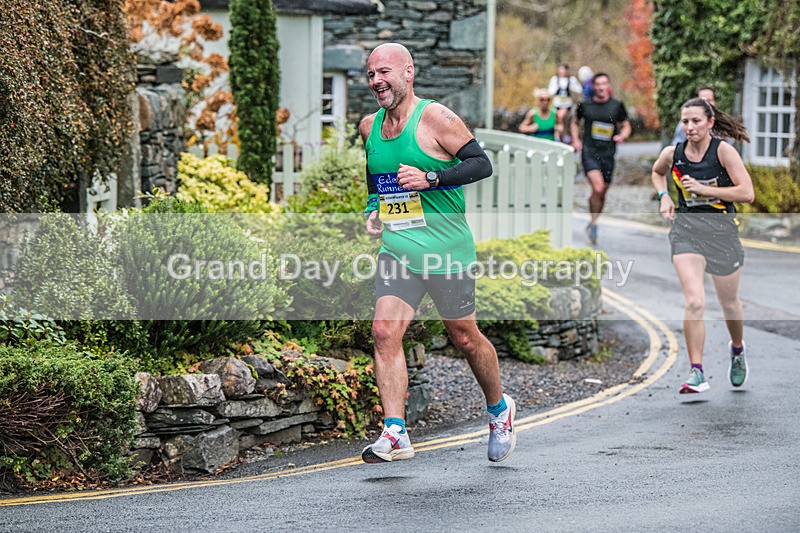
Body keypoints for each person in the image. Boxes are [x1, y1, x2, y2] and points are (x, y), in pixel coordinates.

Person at [359, 43, 516, 464]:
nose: (377, 80)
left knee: (464, 338)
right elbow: (376, 175)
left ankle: (499, 410)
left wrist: (431, 178)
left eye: (385, 72)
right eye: (371, 73)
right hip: (399, 248)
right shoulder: (368, 126)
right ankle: (395, 432)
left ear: (408, 73)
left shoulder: (436, 118)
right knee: (384, 332)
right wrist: (374, 208)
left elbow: (481, 164)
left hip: (446, 250)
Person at [651, 97, 754, 394]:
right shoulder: (673, 153)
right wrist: (664, 197)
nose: (690, 127)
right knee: (695, 300)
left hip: (722, 234)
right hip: (687, 232)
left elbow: (747, 193)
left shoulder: (723, 152)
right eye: (685, 122)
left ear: (710, 122)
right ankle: (697, 371)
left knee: (729, 303)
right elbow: (657, 173)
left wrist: (706, 189)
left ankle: (737, 349)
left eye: (696, 121)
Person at [570, 72, 631, 244]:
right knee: (597, 188)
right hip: (589, 152)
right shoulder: (585, 105)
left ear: (609, 86)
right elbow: (575, 122)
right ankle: (594, 222)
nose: (602, 87)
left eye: (605, 83)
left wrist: (622, 136)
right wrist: (576, 140)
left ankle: (593, 221)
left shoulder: (617, 105)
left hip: (608, 154)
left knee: (602, 193)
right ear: (594, 87)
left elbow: (626, 125)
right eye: (598, 84)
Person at [548, 63, 583, 143]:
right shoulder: (555, 79)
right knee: (558, 118)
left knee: (561, 116)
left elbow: (579, 89)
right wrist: (557, 85)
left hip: (567, 105)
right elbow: (550, 92)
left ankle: (563, 134)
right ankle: (560, 135)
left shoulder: (571, 79)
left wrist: (571, 86)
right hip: (557, 104)